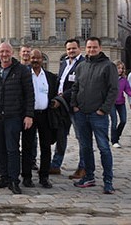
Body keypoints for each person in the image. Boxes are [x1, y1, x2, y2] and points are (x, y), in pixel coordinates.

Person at [0, 42, 34, 194]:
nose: (4, 54)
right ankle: (4, 176)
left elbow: (29, 95)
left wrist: (29, 115)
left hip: (13, 116)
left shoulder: (22, 70)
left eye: (7, 52)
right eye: (1, 52)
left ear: (12, 53)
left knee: (12, 149)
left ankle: (14, 179)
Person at [71, 37, 117, 194]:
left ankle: (108, 180)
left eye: (94, 47)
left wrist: (103, 110)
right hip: (81, 113)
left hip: (98, 114)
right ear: (85, 48)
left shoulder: (108, 66)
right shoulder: (82, 66)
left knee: (104, 147)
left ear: (100, 48)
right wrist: (74, 105)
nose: (91, 50)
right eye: (89, 47)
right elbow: (76, 87)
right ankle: (89, 176)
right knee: (85, 148)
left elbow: (113, 90)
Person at [21, 49, 58, 189]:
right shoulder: (24, 75)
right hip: (29, 116)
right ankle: (26, 176)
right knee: (27, 147)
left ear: (42, 59)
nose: (35, 60)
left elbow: (54, 94)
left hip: (45, 115)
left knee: (46, 147)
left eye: (37, 58)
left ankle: (44, 176)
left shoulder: (50, 77)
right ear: (29, 59)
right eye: (32, 58)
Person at [51, 38, 85, 178]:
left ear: (79, 49)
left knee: (81, 137)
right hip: (62, 107)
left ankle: (83, 167)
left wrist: (61, 97)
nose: (71, 51)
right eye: (69, 49)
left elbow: (78, 85)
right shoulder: (64, 62)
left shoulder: (83, 63)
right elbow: (60, 82)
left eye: (73, 48)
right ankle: (55, 165)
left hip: (75, 105)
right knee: (61, 136)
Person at [113, 60, 131, 148]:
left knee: (123, 120)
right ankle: (114, 140)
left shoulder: (124, 80)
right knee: (114, 121)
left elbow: (128, 90)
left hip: (121, 102)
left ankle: (117, 135)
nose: (120, 70)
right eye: (118, 68)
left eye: (121, 68)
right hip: (111, 103)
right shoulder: (109, 78)